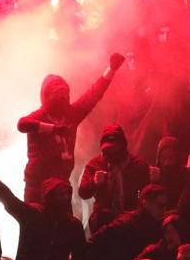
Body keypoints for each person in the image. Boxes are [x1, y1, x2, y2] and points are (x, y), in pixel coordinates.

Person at [18, 53, 125, 202]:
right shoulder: (39, 116)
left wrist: (111, 69)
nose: (62, 98)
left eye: (65, 93)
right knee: (35, 224)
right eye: (57, 94)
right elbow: (22, 125)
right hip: (38, 187)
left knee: (65, 224)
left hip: (61, 184)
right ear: (47, 96)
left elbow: (94, 94)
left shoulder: (71, 114)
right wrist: (54, 129)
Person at [0, 163, 86, 260]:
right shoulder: (32, 215)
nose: (66, 198)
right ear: (50, 196)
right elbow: (9, 199)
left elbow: (80, 259)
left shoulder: (73, 225)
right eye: (61, 194)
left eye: (67, 194)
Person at [79, 124, 150, 232]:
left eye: (115, 148)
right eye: (108, 149)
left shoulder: (138, 165)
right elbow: (83, 193)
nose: (111, 153)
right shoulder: (95, 164)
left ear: (123, 146)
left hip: (131, 216)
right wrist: (94, 182)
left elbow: (147, 192)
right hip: (104, 219)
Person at [89, 184, 170, 260]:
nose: (164, 210)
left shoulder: (160, 226)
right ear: (145, 203)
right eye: (160, 205)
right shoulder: (127, 223)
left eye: (165, 206)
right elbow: (97, 241)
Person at [151, 135, 188, 207]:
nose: (166, 163)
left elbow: (184, 205)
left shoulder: (186, 176)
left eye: (171, 158)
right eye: (163, 158)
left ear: (178, 158)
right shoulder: (153, 175)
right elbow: (138, 194)